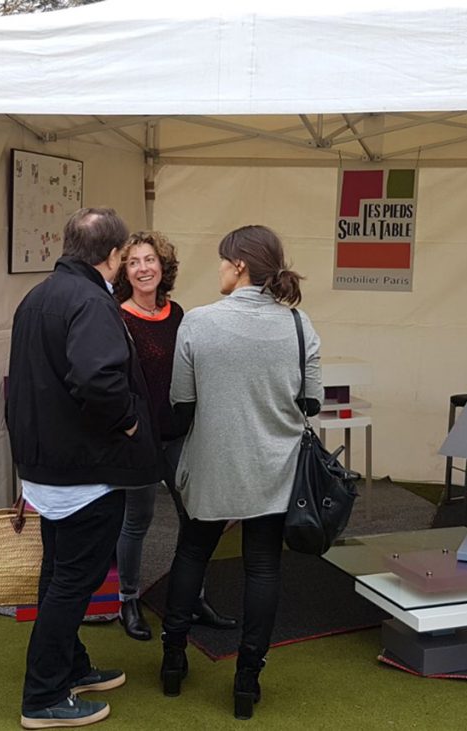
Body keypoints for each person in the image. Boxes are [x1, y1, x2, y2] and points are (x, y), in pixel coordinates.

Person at [159, 225, 323, 720]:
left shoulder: (198, 323)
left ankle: (172, 661)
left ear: (239, 266)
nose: (219, 270)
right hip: (274, 468)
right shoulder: (299, 326)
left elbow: (180, 405)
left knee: (191, 554)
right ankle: (247, 680)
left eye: (221, 261)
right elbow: (311, 401)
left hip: (211, 462)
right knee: (263, 567)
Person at [6, 207, 160, 730]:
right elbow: (98, 381)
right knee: (74, 581)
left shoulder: (38, 296)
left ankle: (70, 668)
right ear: (113, 256)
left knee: (59, 575)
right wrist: (128, 425)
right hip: (83, 469)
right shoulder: (91, 300)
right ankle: (44, 695)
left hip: (48, 463)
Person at [112, 231, 236, 641]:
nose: (143, 268)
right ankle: (128, 600)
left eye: (150, 260)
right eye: (133, 262)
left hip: (181, 434)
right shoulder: (118, 317)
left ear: (163, 267)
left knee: (196, 518)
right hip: (138, 440)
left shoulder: (177, 312)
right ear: (124, 272)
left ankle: (191, 598)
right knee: (138, 520)